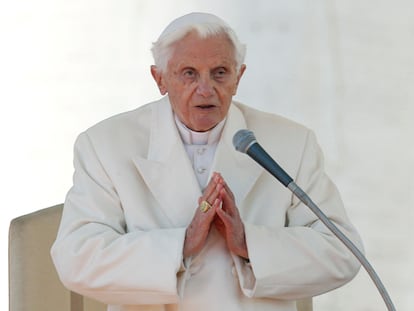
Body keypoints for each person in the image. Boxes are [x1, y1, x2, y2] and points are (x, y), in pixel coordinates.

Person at [51, 12, 363, 311]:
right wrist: (181, 245)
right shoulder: (106, 144)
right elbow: (76, 259)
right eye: (189, 74)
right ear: (159, 78)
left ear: (238, 77)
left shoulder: (291, 143)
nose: (205, 89)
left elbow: (343, 253)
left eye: (220, 73)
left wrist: (248, 244)